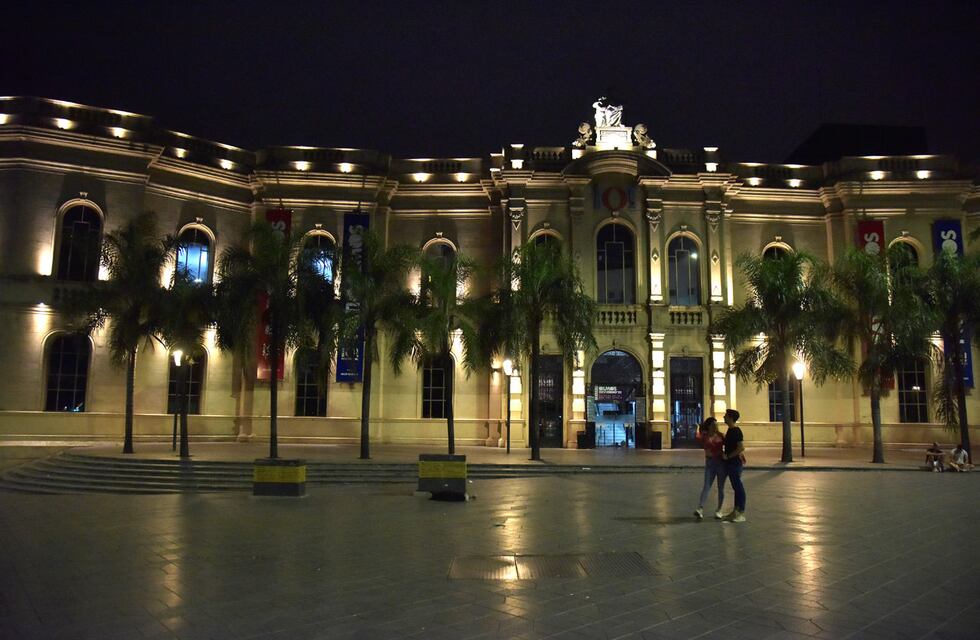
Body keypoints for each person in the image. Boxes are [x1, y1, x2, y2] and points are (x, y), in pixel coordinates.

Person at [693, 417, 726, 520]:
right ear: (709, 426)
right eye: (713, 425)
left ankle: (719, 510)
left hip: (720, 463)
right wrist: (697, 428)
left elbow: (729, 445)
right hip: (710, 463)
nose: (715, 426)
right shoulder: (704, 436)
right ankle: (700, 508)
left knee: (721, 487)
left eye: (716, 425)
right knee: (706, 486)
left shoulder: (721, 436)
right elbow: (697, 436)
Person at [720, 409, 746, 522]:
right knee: (736, 488)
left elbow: (741, 447)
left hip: (735, 463)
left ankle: (741, 513)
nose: (724, 417)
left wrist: (729, 456)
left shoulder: (736, 431)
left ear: (730, 417)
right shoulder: (730, 430)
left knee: (739, 488)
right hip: (731, 463)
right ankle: (735, 512)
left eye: (726, 415)